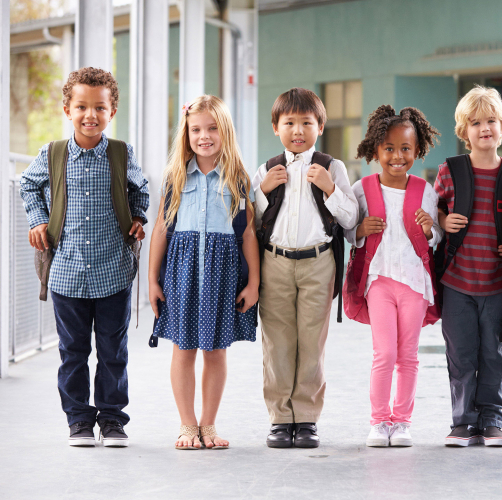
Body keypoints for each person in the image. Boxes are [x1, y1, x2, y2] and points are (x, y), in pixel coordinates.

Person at [20, 67, 149, 447]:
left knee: (113, 352)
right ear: (67, 110)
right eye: (81, 107)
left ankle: (112, 421)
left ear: (112, 112)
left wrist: (140, 217)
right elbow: (29, 185)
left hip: (113, 270)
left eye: (99, 107)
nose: (90, 115)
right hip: (66, 272)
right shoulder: (53, 154)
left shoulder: (122, 154)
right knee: (72, 352)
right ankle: (78, 420)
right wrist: (38, 220)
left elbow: (141, 190)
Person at [150, 95, 259, 449]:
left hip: (223, 275)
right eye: (196, 129)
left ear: (224, 131)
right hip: (182, 273)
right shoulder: (175, 177)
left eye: (212, 128)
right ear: (186, 133)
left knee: (215, 351)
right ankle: (187, 424)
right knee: (183, 349)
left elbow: (247, 234)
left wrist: (254, 282)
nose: (204, 136)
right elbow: (161, 230)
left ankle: (208, 425)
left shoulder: (239, 179)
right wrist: (152, 280)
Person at [253, 88, 358, 448]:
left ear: (321, 126)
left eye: (307, 123)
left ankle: (307, 418)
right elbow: (248, 222)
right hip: (275, 262)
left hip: (318, 262)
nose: (298, 130)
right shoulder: (265, 169)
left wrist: (330, 189)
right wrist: (263, 191)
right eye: (290, 123)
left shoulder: (332, 167)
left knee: (312, 343)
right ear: (275, 127)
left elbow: (351, 218)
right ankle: (281, 418)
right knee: (277, 343)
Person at [345, 105, 442, 447]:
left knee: (408, 355)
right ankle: (378, 421)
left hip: (415, 283)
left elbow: (436, 237)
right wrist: (360, 229)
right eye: (389, 149)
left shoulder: (424, 190)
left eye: (405, 149)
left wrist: (430, 230)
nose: (397, 156)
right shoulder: (363, 188)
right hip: (379, 281)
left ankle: (401, 422)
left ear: (418, 151)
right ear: (375, 151)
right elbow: (350, 232)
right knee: (384, 353)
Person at [434, 86, 502, 447]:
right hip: (457, 282)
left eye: (491, 121)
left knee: (493, 353)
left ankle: (492, 418)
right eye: (476, 122)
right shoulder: (450, 170)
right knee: (461, 353)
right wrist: (443, 220)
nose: (485, 128)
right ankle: (463, 421)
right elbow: (434, 207)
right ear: (463, 131)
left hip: (498, 283)